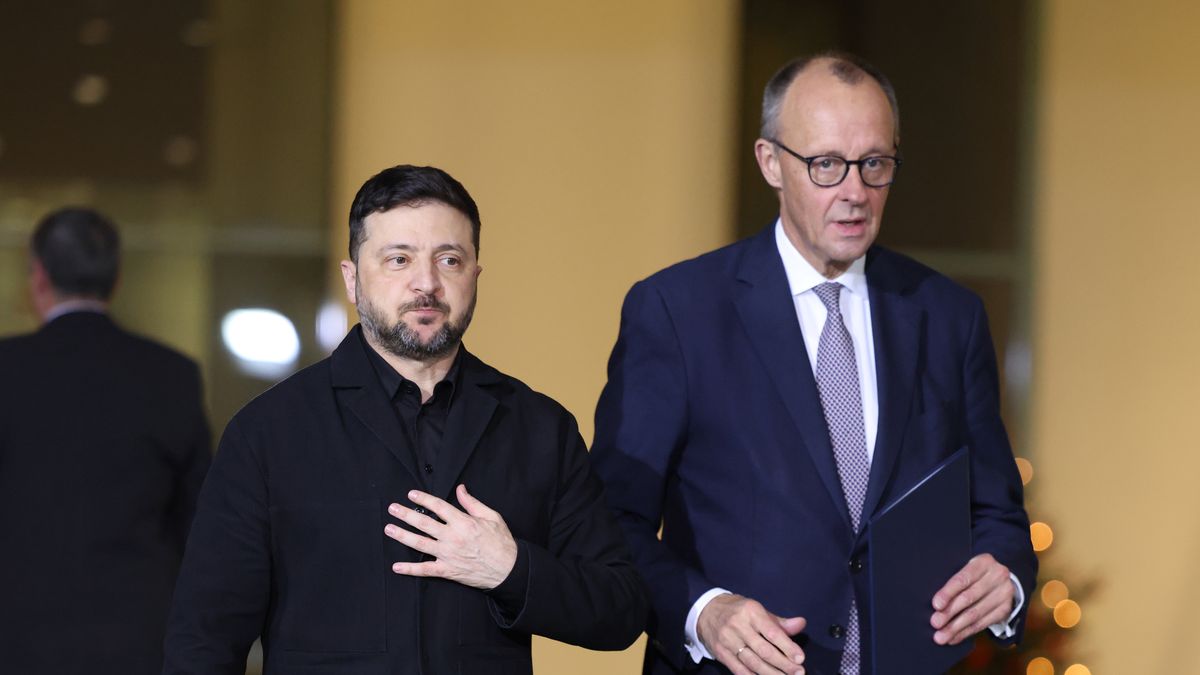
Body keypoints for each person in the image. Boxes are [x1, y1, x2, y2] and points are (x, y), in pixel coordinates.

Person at [591, 52, 1037, 675]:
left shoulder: (948, 316)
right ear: (770, 162)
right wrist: (703, 611)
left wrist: (1005, 577)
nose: (855, 192)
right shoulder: (677, 311)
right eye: (826, 164)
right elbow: (611, 520)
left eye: (875, 164)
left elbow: (997, 512)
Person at [164, 164, 647, 674]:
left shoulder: (539, 427)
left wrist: (510, 569)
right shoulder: (269, 431)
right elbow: (205, 639)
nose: (427, 283)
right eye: (399, 259)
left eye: (450, 260)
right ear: (352, 279)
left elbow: (620, 609)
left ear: (475, 275)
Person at [0, 207, 211, 674]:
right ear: (116, 280)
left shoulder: (6, 370)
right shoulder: (172, 375)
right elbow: (198, 520)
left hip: (15, 636)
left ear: (37, 276)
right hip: (139, 636)